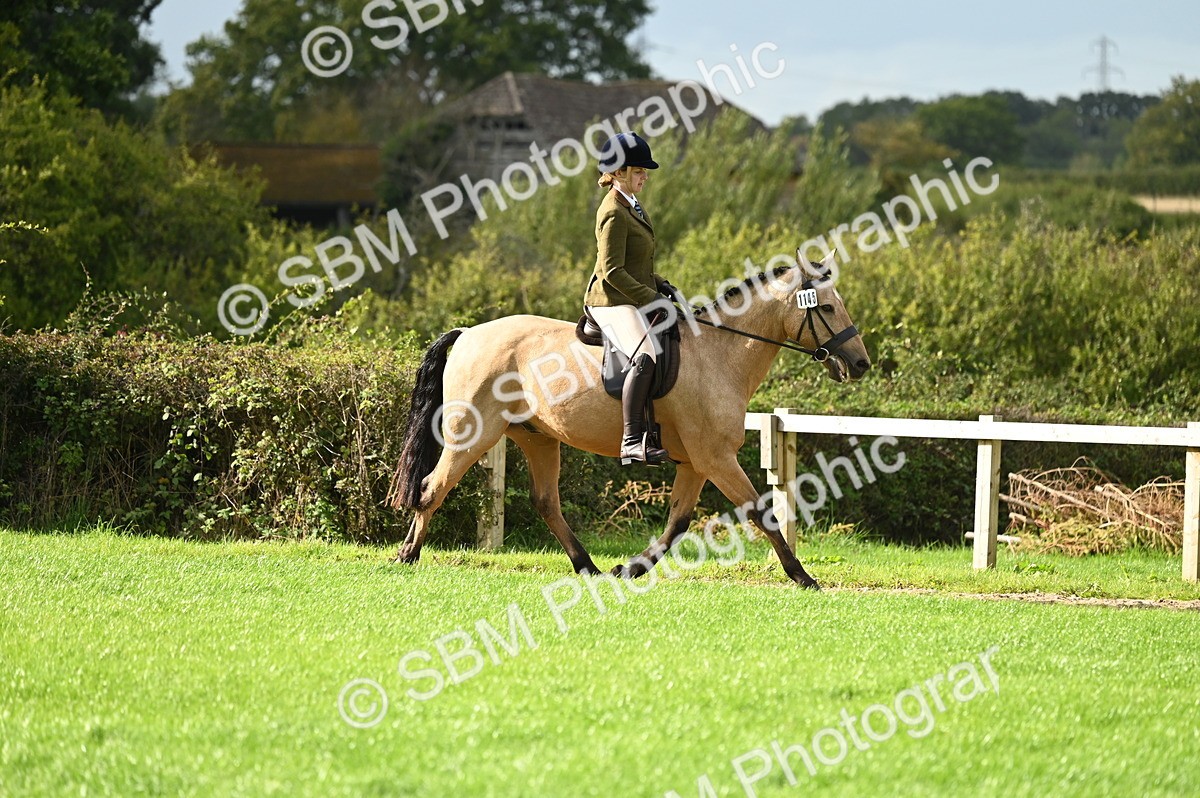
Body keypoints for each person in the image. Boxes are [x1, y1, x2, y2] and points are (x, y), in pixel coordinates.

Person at [583, 132, 674, 466]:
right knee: (645, 354)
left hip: (628, 295)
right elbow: (612, 271)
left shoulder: (631, 203)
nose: (645, 176)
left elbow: (636, 262)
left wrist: (662, 284)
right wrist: (652, 298)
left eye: (644, 171)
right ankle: (632, 441)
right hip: (610, 300)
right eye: (638, 171)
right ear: (618, 172)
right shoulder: (613, 211)